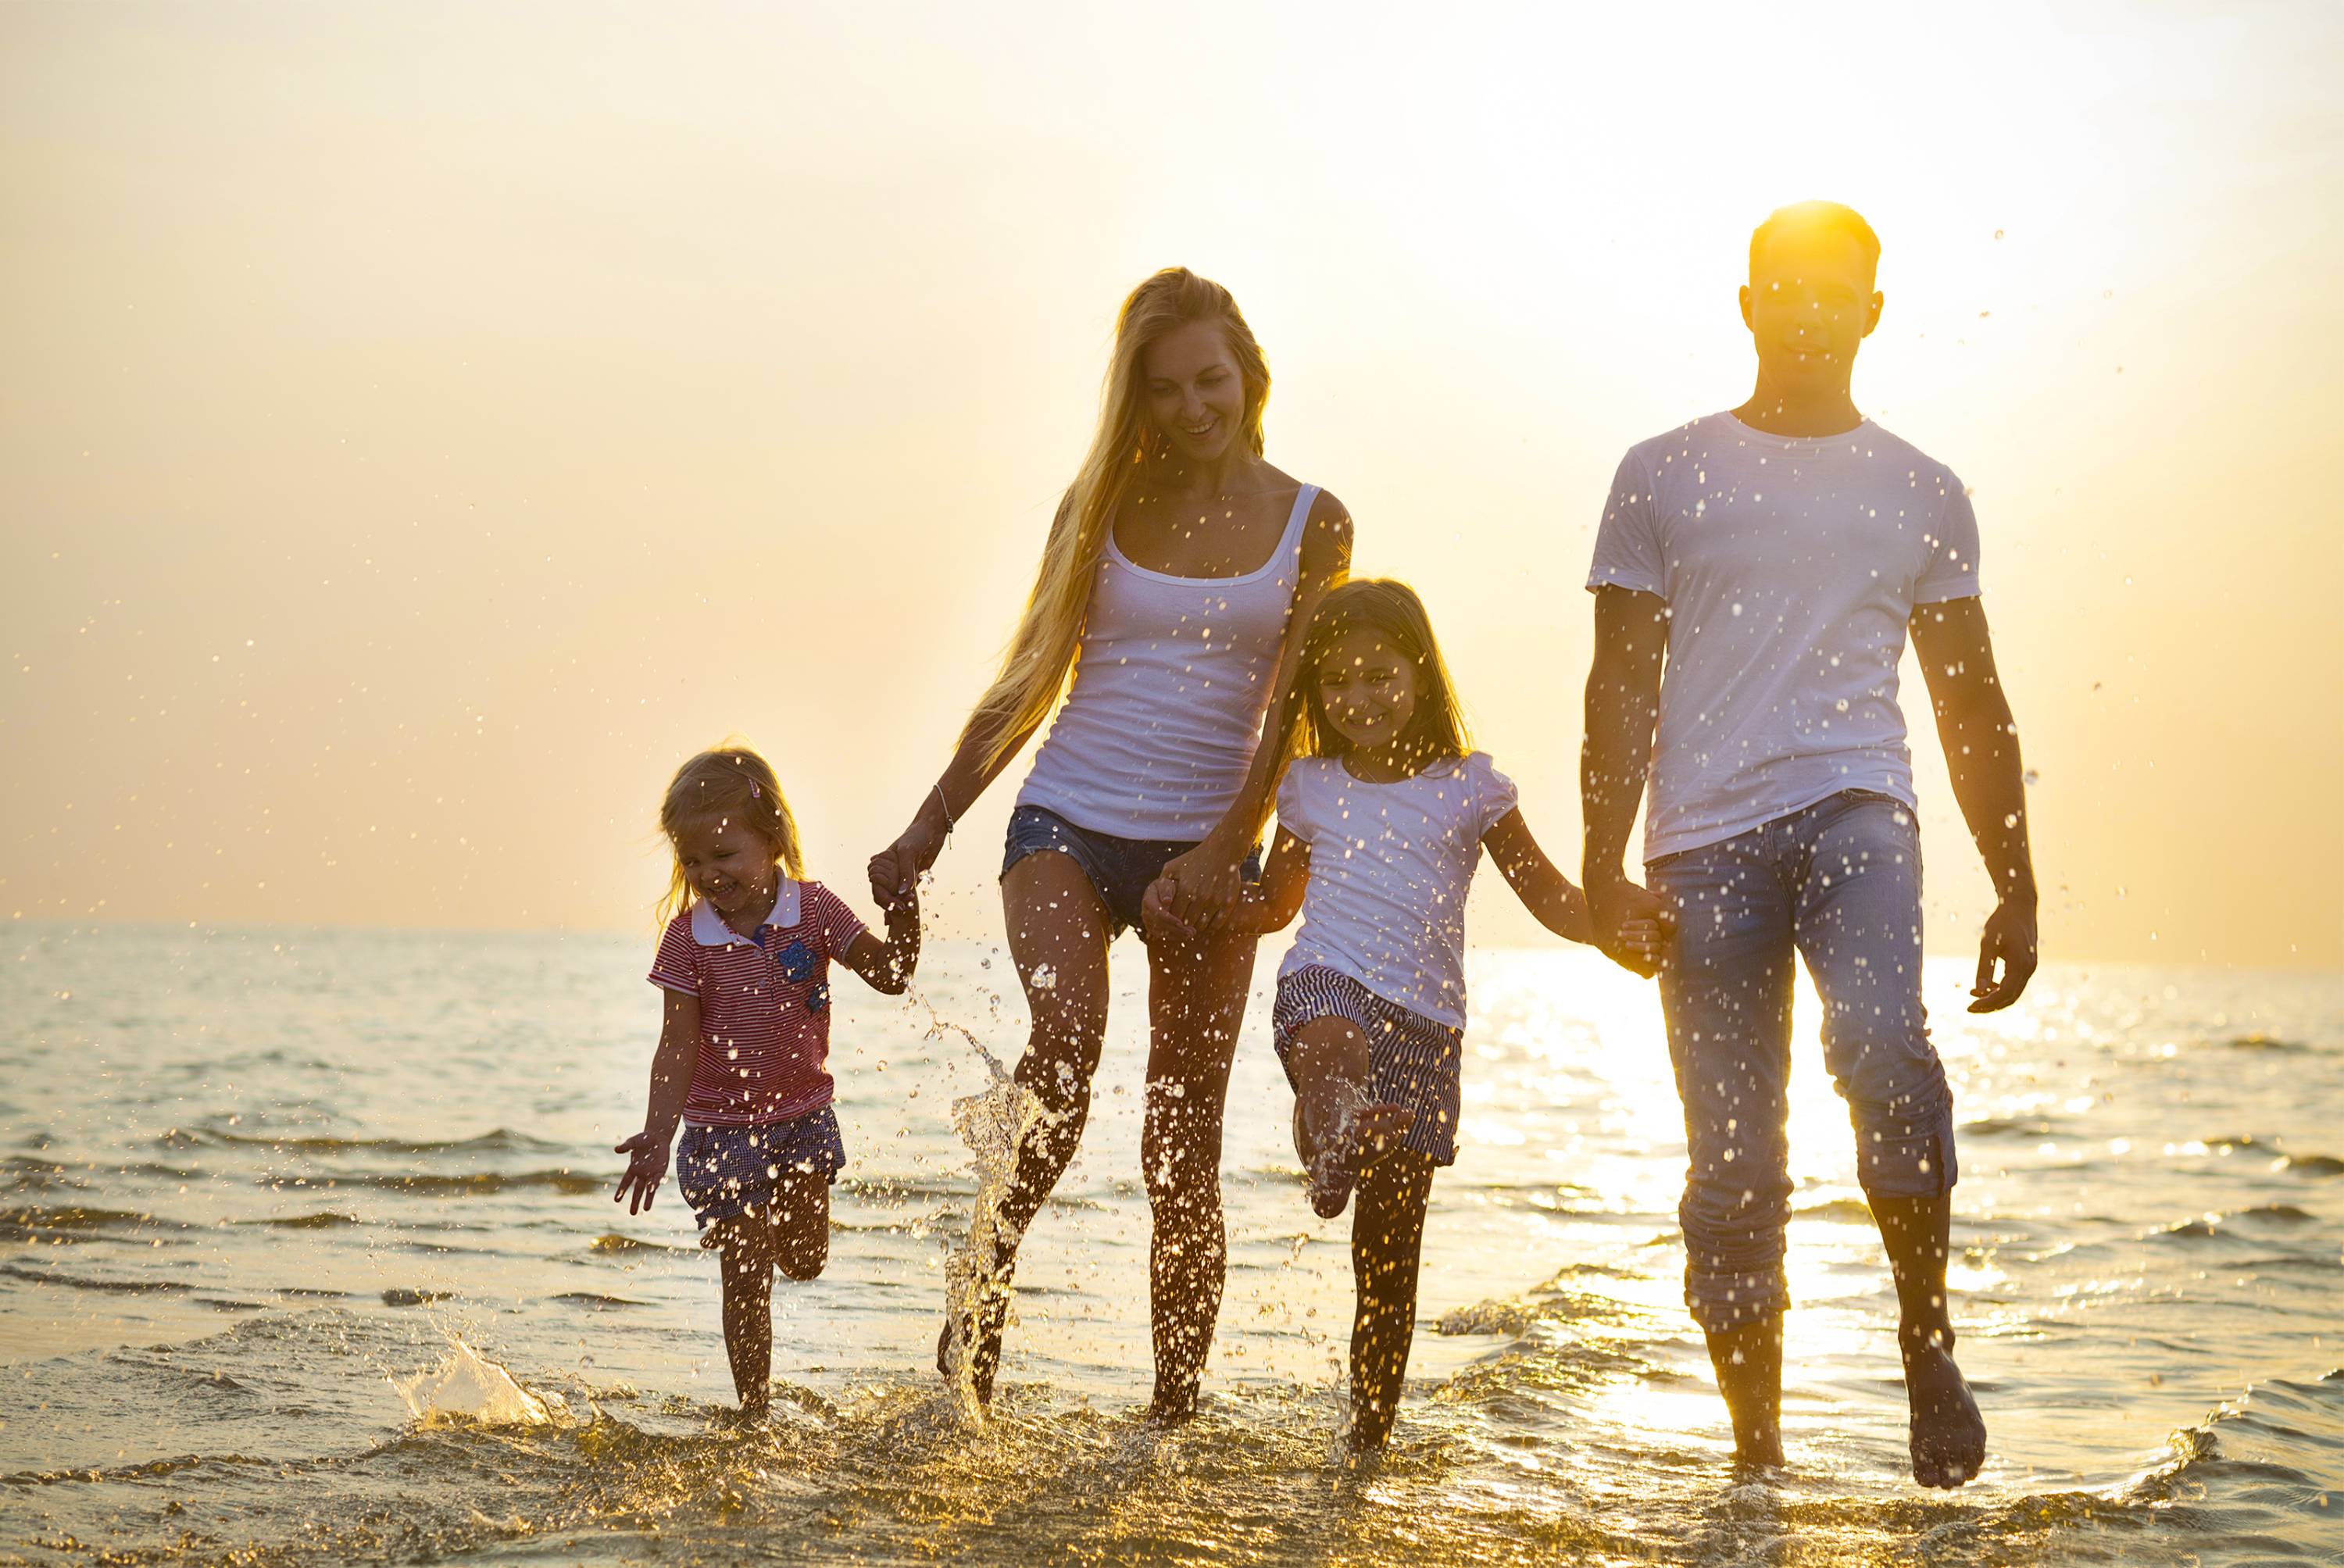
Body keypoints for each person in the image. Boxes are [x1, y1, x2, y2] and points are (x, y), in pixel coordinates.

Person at [1579, 202, 2035, 1488]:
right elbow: (1618, 681)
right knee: (1733, 1167)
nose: (1810, 308)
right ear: (1746, 301)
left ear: (1874, 310)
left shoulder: (1921, 489)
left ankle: (1926, 1336)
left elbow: (1969, 697)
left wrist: (2016, 885)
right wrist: (1603, 863)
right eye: (1785, 285)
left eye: (1837, 289)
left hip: (1858, 810)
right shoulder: (1661, 471)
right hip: (1702, 842)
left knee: (1885, 1043)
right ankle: (1759, 1462)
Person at [866, 269, 1351, 1422]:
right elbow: (1032, 678)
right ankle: (978, 1295)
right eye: (1167, 388)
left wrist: (1246, 848)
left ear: (1250, 375)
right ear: (1136, 398)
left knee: (1181, 1143)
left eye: (1211, 380)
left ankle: (1172, 1414)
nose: (1194, 407)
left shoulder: (1312, 518)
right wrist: (925, 828)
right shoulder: (1099, 506)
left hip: (1211, 844)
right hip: (1067, 821)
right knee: (1067, 1051)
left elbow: (1298, 708)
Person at [1151, 579, 1661, 1452]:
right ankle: (1336, 1139)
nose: (1360, 700)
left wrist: (1621, 933)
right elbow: (1279, 904)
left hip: (1428, 1029)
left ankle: (1368, 1441)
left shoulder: (1472, 787)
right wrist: (1203, 908)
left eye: (1380, 676)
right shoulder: (1308, 787)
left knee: (1386, 1267)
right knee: (1331, 1054)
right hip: (1330, 977)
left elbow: (1549, 897)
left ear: (1421, 673)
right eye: (1339, 684)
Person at [614, 745, 920, 1420]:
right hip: (720, 1132)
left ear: (773, 837)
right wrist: (658, 1135)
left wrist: (904, 911)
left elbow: (892, 973)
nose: (706, 874)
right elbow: (678, 1043)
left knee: (805, 1259)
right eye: (691, 862)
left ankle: (764, 1236)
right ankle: (754, 1410)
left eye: (722, 856)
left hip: (802, 1119)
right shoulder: (686, 940)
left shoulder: (813, 911)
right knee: (745, 1273)